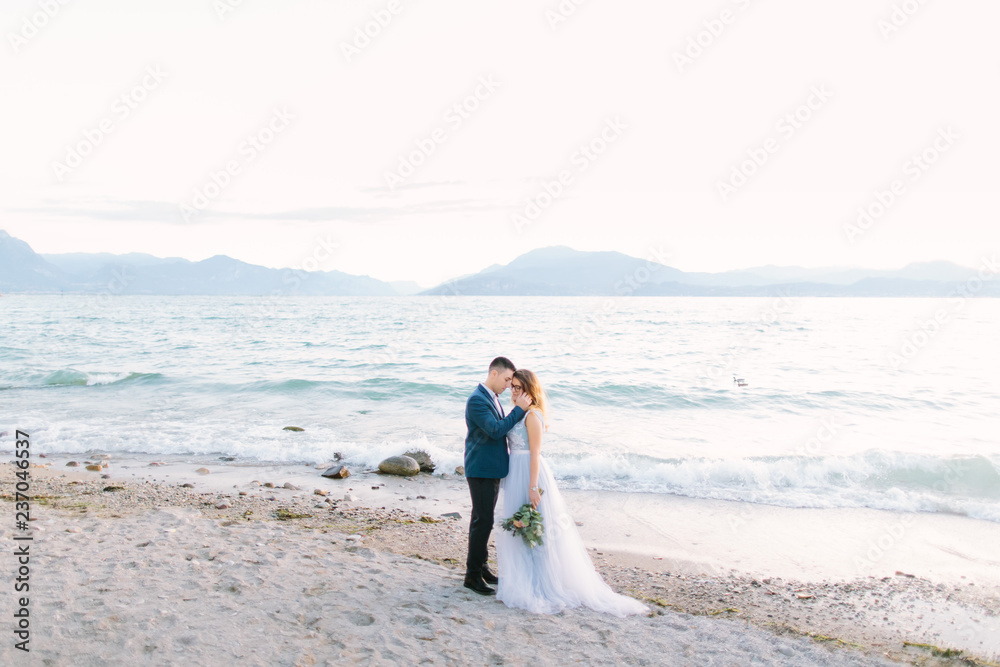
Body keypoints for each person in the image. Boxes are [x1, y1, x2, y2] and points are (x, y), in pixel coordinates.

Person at [495, 369, 647, 617]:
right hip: (515, 473)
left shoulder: (532, 416)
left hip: (530, 474)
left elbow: (535, 453)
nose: (513, 391)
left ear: (529, 391)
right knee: (519, 527)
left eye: (519, 388)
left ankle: (541, 582)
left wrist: (533, 487)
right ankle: (523, 580)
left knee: (535, 529)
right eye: (512, 386)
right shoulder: (518, 413)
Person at [463, 356, 533, 595]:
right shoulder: (477, 400)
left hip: (490, 469)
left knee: (483, 519)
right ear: (494, 373)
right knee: (482, 521)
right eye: (506, 379)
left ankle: (481, 568)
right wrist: (519, 410)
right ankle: (472, 576)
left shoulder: (491, 397)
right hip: (481, 469)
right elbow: (495, 430)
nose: (508, 385)